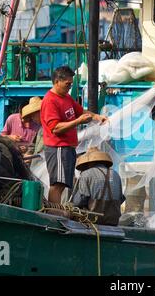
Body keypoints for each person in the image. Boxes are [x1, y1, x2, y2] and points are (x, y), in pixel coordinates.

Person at [41, 66, 108, 204]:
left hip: (68, 147)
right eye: (67, 84)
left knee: (63, 184)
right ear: (57, 81)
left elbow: (79, 111)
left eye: (71, 84)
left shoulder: (66, 97)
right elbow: (55, 128)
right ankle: (54, 212)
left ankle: (56, 210)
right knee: (57, 184)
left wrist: (96, 116)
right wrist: (77, 121)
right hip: (58, 147)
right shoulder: (50, 101)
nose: (69, 87)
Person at [72, 147, 125, 226]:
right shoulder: (116, 174)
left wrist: (71, 204)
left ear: (89, 163)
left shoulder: (86, 174)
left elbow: (80, 201)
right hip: (113, 220)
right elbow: (121, 199)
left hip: (93, 219)